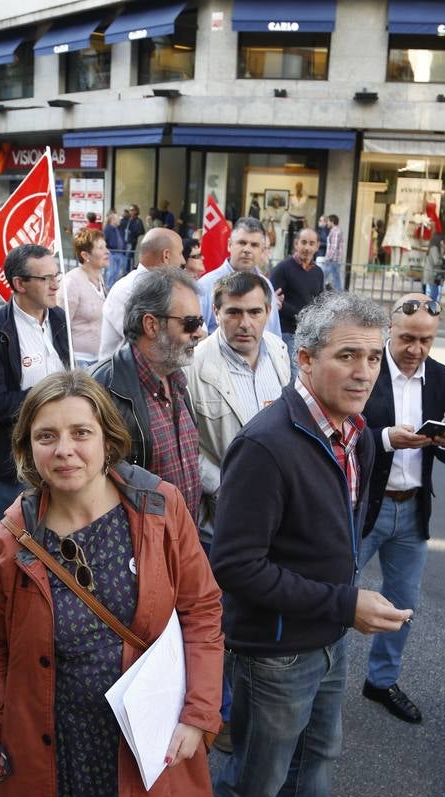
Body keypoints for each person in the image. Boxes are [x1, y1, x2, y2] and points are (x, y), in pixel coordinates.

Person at [179, 293, 412, 797]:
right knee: (258, 778)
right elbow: (236, 567)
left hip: (327, 634)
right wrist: (344, 603)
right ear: (305, 360)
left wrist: (341, 607)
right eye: (347, 356)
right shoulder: (267, 444)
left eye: (372, 356)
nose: (364, 371)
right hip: (276, 650)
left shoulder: (354, 432)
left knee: (316, 764)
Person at [0, 370, 223, 797]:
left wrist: (199, 714)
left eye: (81, 433)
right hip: (55, 743)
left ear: (108, 439)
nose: (65, 450)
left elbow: (201, 610)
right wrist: (1, 721)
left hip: (145, 740)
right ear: (27, 448)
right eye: (47, 436)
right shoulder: (8, 541)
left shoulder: (159, 508)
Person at [185, 270, 289, 753]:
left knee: (259, 612)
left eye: (254, 312)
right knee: (216, 622)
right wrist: (234, 488)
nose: (244, 323)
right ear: (216, 312)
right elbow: (190, 449)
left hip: (276, 519)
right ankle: (219, 713)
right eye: (233, 312)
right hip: (218, 519)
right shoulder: (194, 366)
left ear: (269, 313)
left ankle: (252, 703)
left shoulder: (283, 357)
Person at [357, 294, 445, 724]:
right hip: (368, 505)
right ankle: (318, 682)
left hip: (413, 509)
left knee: (403, 605)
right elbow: (343, 432)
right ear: (389, 328)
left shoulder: (440, 377)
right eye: (407, 338)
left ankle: (381, 680)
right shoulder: (367, 366)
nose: (416, 349)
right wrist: (386, 438)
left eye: (426, 340)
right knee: (337, 593)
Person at [91, 267, 206, 524]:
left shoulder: (177, 381)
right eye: (190, 323)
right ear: (151, 325)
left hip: (181, 547)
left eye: (199, 322)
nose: (199, 332)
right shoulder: (102, 389)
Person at [0, 244, 70, 523]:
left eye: (57, 276)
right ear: (19, 284)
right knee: (11, 544)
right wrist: (48, 395)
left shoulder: (60, 319)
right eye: (45, 279)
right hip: (15, 461)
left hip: (60, 454)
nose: (55, 285)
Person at [96, 227, 182, 360]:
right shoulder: (127, 290)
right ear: (166, 256)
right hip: (124, 377)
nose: (183, 261)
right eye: (181, 253)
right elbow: (148, 343)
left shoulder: (173, 289)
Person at [195, 217, 284, 341]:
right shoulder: (206, 285)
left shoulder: (266, 285)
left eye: (254, 245)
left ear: (262, 250)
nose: (247, 249)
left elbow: (274, 333)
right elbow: (195, 334)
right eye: (242, 243)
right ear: (229, 245)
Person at [269, 227, 325, 369]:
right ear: (296, 244)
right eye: (303, 242)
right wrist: (302, 315)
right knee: (293, 373)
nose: (307, 247)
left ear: (317, 246)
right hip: (286, 332)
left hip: (308, 333)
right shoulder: (282, 269)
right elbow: (273, 300)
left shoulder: (318, 272)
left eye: (311, 243)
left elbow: (319, 301)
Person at [61, 227, 109, 368]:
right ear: (85, 255)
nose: (107, 252)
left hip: (99, 360)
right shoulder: (71, 282)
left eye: (105, 246)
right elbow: (61, 327)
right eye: (100, 248)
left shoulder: (99, 278)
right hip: (79, 363)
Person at [318, 214, 344, 291]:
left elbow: (334, 247)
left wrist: (328, 257)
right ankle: (322, 292)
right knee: (334, 278)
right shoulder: (337, 231)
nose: (327, 223)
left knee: (325, 277)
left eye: (328, 221)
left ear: (332, 222)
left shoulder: (335, 231)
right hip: (334, 260)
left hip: (332, 260)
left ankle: (321, 293)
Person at [103, 210, 127, 287]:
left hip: (120, 253)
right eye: (117, 218)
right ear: (113, 220)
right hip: (112, 253)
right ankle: (108, 287)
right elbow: (104, 241)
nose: (119, 220)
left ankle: (114, 287)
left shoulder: (119, 228)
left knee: (118, 273)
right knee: (112, 272)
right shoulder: (107, 229)